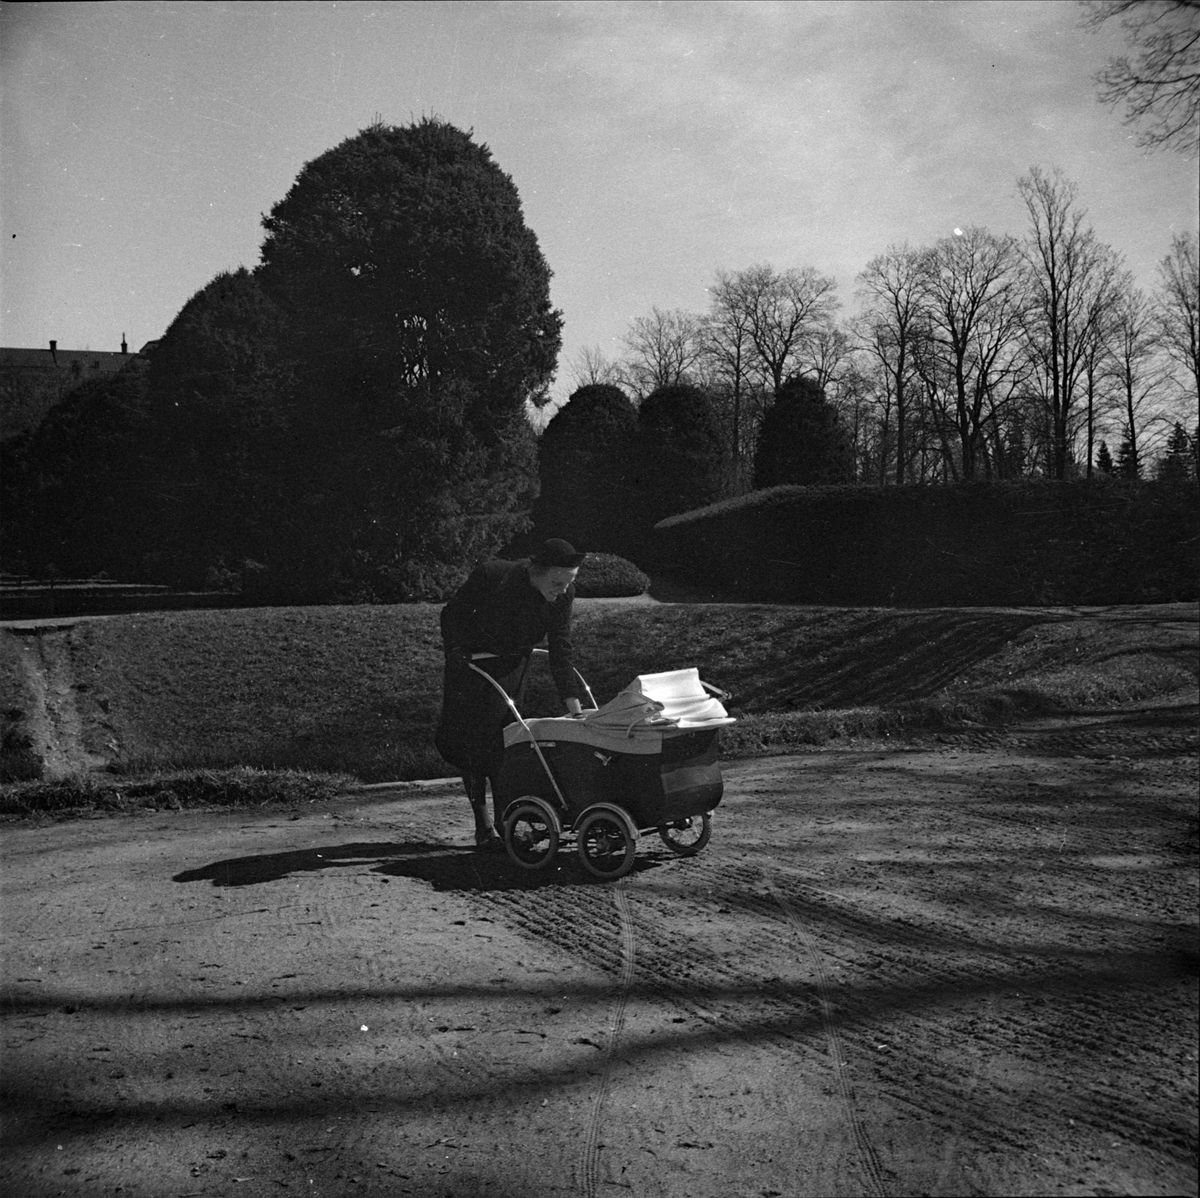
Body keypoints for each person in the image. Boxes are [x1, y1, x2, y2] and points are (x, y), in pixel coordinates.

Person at [435, 538, 588, 850]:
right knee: (473, 747)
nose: (562, 589)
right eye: (557, 582)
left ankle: (508, 821)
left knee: (508, 743)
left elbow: (561, 650)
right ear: (535, 570)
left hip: (512, 667)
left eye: (569, 582)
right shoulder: (493, 576)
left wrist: (575, 707)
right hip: (471, 665)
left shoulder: (562, 595)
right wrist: (455, 650)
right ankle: (484, 826)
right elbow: (451, 615)